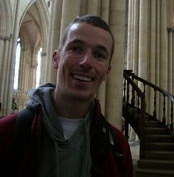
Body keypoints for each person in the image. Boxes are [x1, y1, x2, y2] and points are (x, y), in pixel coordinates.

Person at [0, 15, 133, 177]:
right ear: (56, 59)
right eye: (76, 49)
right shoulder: (7, 133)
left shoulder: (119, 147)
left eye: (99, 55)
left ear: (107, 72)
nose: (86, 62)